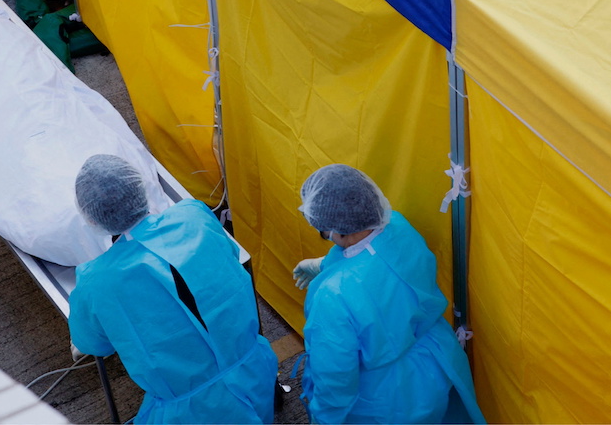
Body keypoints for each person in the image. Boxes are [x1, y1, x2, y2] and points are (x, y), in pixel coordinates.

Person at [69, 154, 279, 424]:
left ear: (91, 219)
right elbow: (229, 255)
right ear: (139, 189)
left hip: (190, 414)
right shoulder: (195, 216)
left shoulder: (95, 281)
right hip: (255, 373)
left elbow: (91, 343)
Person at [292, 164, 485, 424]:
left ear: (335, 229)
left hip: (383, 400)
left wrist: (323, 420)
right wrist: (324, 264)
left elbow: (335, 379)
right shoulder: (398, 225)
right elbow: (379, 264)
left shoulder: (333, 297)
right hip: (433, 370)